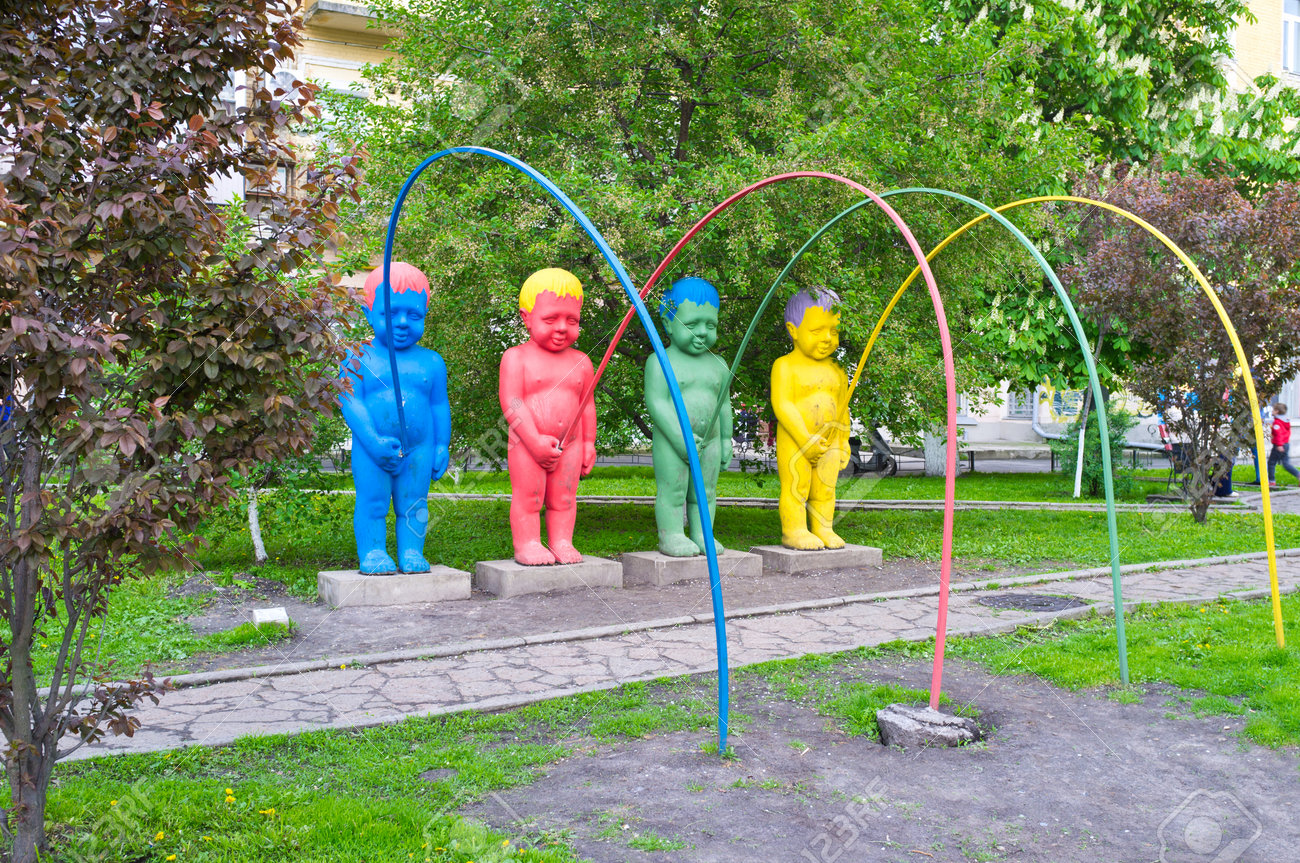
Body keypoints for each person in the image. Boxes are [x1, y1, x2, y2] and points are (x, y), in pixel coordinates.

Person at [339, 263, 451, 574]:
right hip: (371, 448)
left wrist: (441, 445)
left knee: (415, 503)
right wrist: (373, 442)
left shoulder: (432, 362)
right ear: (368, 314)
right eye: (390, 313)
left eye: (414, 315)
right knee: (373, 502)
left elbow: (439, 406)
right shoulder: (357, 357)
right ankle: (373, 552)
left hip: (419, 448)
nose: (402, 323)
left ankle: (411, 552)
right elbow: (349, 401)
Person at [499, 268, 597, 565]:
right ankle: (527, 544)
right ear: (526, 317)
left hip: (571, 444)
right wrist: (534, 441)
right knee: (529, 496)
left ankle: (561, 542)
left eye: (572, 320)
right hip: (527, 443)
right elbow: (512, 402)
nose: (562, 328)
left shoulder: (582, 362)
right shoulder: (516, 357)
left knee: (564, 497)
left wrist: (589, 443)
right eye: (551, 319)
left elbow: (587, 405)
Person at [644, 277, 733, 556]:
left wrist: (727, 439)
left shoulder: (719, 365)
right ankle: (671, 535)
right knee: (673, 489)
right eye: (692, 325)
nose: (703, 332)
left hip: (710, 440)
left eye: (710, 325)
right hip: (672, 440)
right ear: (668, 324)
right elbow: (657, 403)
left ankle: (703, 534)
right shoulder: (660, 361)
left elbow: (724, 404)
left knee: (705, 492)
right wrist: (680, 438)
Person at [771, 287, 850, 549]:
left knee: (825, 488)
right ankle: (794, 530)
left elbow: (842, 407)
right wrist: (805, 440)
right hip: (796, 439)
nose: (827, 338)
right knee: (797, 486)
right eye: (817, 331)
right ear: (793, 330)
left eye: (834, 331)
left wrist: (844, 440)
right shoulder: (785, 365)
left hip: (830, 439)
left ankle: (823, 528)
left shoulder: (838, 369)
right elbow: (782, 405)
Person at [1268, 403, 1299, 488]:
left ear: (1277, 411)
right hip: (1286, 444)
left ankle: (1271, 481)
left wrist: (1279, 445)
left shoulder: (1277, 422)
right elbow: (1286, 433)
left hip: (1279, 445)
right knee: (1286, 464)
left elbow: (1279, 434)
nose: (1272, 411)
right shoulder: (1286, 421)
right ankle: (1298, 474)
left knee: (1271, 463)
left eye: (1273, 410)